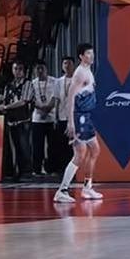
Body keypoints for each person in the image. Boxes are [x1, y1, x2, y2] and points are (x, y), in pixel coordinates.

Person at [54, 43, 103, 203]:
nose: (91, 56)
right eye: (88, 53)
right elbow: (70, 98)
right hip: (79, 117)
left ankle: (87, 187)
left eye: (92, 53)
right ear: (81, 56)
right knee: (80, 153)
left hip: (86, 117)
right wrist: (71, 122)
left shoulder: (88, 71)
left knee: (95, 150)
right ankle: (62, 190)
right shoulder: (80, 73)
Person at [0, 61, 33, 181]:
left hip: (23, 120)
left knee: (24, 147)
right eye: (15, 69)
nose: (17, 71)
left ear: (23, 71)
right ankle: (16, 171)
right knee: (15, 148)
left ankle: (27, 172)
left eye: (20, 69)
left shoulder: (27, 84)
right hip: (11, 121)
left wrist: (7, 107)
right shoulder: (8, 85)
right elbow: (4, 100)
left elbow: (24, 101)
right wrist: (2, 106)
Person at [31, 61, 57, 176]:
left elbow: (55, 97)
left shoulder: (54, 81)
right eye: (38, 69)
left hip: (51, 117)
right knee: (37, 145)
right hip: (37, 118)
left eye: (42, 68)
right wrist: (41, 108)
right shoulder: (32, 83)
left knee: (52, 145)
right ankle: (37, 169)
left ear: (46, 69)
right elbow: (31, 99)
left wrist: (48, 108)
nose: (40, 71)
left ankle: (52, 169)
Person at [54, 56, 76, 174]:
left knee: (74, 144)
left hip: (74, 117)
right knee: (62, 144)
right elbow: (57, 100)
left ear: (74, 65)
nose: (67, 66)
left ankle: (75, 170)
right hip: (62, 116)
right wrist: (55, 116)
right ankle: (63, 169)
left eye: (69, 63)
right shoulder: (58, 82)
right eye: (65, 63)